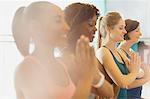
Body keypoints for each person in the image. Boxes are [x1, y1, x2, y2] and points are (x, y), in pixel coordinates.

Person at [13, 1, 97, 99]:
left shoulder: (61, 65)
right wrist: (86, 78)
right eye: (58, 21)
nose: (67, 27)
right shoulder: (27, 69)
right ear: (35, 28)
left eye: (64, 21)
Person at [64, 3, 114, 98]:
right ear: (72, 25)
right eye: (90, 24)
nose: (95, 29)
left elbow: (109, 93)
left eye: (95, 25)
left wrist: (95, 76)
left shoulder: (88, 56)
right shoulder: (66, 59)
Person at [96, 11, 141, 99]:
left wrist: (134, 72)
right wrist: (134, 72)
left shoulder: (119, 52)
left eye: (124, 28)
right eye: (121, 28)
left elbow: (137, 72)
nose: (125, 31)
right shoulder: (103, 52)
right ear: (108, 29)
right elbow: (122, 82)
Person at [117, 19, 150, 99]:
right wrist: (147, 78)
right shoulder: (119, 53)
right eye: (137, 31)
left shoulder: (131, 52)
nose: (140, 34)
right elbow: (127, 85)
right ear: (127, 32)